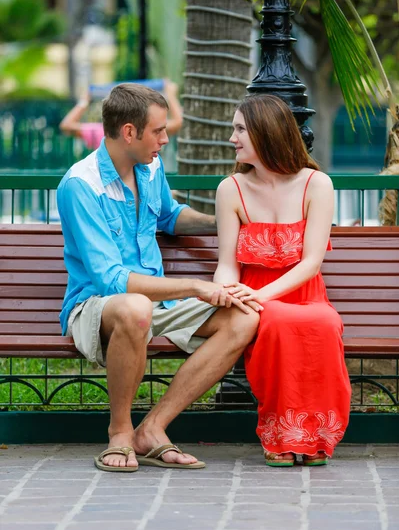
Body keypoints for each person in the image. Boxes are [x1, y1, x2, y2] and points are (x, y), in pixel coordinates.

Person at [57, 83, 261, 473]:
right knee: (134, 308)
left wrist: (225, 223)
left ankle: (153, 428)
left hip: (157, 304)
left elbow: (168, 216)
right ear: (129, 132)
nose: (166, 139)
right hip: (96, 307)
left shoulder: (149, 168)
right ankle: (120, 433)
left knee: (245, 317)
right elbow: (111, 280)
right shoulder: (80, 185)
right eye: (158, 131)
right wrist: (196, 286)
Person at [214, 94, 352, 467]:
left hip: (304, 294)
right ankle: (281, 434)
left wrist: (259, 294)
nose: (233, 138)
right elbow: (227, 262)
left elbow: (311, 263)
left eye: (240, 129)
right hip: (257, 302)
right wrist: (227, 288)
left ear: (266, 132)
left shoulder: (316, 184)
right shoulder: (231, 190)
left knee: (323, 324)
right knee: (273, 321)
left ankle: (314, 437)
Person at [59, 79, 183, 151]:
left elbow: (66, 125)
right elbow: (178, 122)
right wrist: (170, 94)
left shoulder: (101, 132)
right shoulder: (145, 128)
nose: (164, 139)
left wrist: (85, 100)